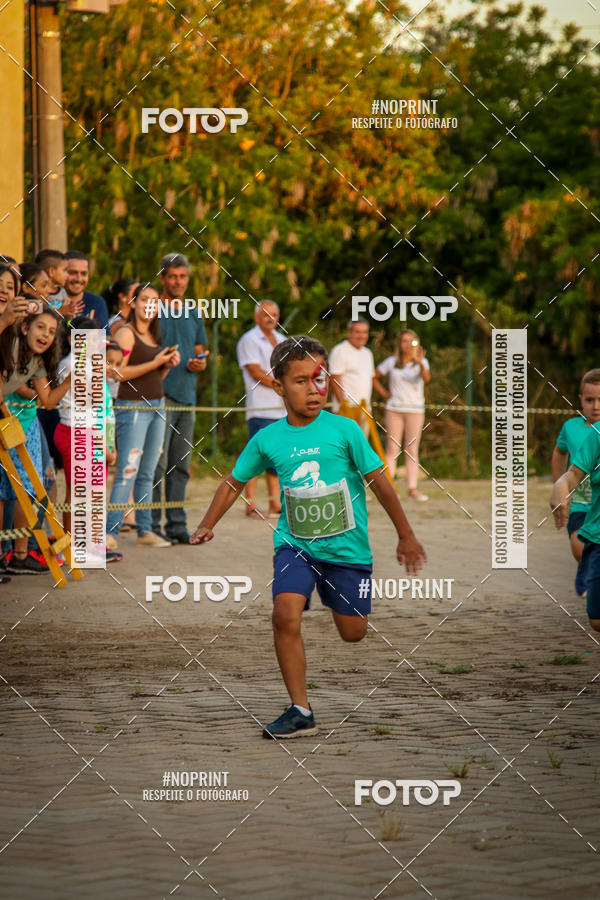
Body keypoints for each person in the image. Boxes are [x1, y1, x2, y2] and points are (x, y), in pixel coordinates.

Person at [191, 336, 426, 739]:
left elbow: (381, 484)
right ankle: (301, 710)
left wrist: (406, 535)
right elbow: (233, 482)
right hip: (295, 546)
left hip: (348, 550)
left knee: (353, 632)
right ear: (278, 385)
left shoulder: (346, 430)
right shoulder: (267, 439)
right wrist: (208, 522)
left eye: (319, 380)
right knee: (284, 613)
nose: (313, 389)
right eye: (300, 381)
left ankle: (336, 599)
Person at [106, 282, 180, 550]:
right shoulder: (126, 333)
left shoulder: (154, 335)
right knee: (128, 470)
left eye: (154, 301)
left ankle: (145, 530)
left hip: (157, 406)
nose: (149, 305)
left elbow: (152, 375)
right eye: (144, 299)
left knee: (148, 471)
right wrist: (156, 362)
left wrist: (166, 365)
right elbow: (117, 373)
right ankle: (109, 531)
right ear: (134, 303)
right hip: (133, 408)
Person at [0, 305, 71, 574]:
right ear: (25, 327)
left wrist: (69, 382)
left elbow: (49, 401)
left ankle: (17, 554)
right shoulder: (8, 346)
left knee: (18, 490)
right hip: (5, 417)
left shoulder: (37, 362)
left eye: (52, 331)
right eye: (41, 327)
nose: (46, 335)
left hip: (8, 420)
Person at [53, 317, 121, 563]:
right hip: (75, 432)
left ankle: (89, 544)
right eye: (88, 340)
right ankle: (70, 547)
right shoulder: (71, 364)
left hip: (90, 433)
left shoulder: (93, 365)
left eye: (96, 340)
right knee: (76, 493)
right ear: (72, 340)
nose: (94, 345)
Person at [151, 253, 207, 544]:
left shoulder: (194, 311)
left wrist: (201, 362)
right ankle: (152, 526)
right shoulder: (153, 309)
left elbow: (201, 351)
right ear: (162, 278)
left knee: (180, 465)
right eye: (172, 276)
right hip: (159, 394)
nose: (177, 281)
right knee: (157, 465)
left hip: (188, 395)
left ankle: (177, 525)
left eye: (182, 276)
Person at [236, 300, 286, 518]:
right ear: (257, 317)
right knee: (256, 456)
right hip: (260, 408)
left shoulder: (283, 340)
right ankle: (251, 503)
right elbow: (255, 371)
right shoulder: (248, 339)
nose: (270, 318)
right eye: (266, 314)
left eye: (274, 314)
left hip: (281, 409)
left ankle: (275, 504)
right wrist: (282, 385)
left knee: (277, 458)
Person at [552, 370, 600, 595]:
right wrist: (559, 484)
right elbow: (559, 452)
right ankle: (586, 572)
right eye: (590, 400)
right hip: (580, 503)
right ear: (580, 398)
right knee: (579, 547)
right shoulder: (571, 427)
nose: (596, 406)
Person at [551, 414, 600, 633]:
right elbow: (574, 474)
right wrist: (560, 485)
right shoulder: (596, 433)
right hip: (597, 534)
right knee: (597, 620)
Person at [373, 329, 431, 500]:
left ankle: (412, 489)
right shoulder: (391, 362)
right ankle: (390, 488)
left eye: (411, 341)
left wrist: (419, 362)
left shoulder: (422, 362)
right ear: (399, 343)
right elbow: (374, 377)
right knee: (392, 448)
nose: (407, 344)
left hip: (415, 410)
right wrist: (385, 394)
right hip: (394, 409)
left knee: (411, 448)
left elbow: (426, 378)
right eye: (404, 341)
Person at [329, 318, 375, 435]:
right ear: (349, 332)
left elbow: (368, 380)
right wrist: (344, 407)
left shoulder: (368, 353)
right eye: (358, 332)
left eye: (365, 332)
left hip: (364, 409)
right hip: (346, 410)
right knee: (344, 448)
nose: (362, 336)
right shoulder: (340, 350)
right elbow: (334, 379)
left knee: (360, 448)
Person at [63, 250, 109, 327]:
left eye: (83, 273)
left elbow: (104, 338)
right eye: (72, 273)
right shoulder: (51, 300)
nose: (79, 279)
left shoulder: (96, 302)